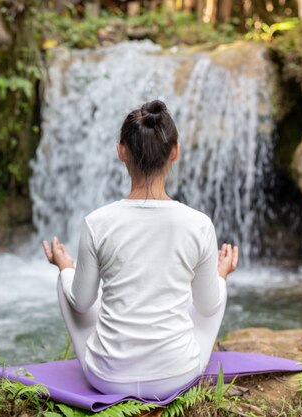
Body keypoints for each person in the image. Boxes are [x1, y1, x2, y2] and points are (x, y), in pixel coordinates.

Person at [42, 100, 239, 401]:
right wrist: (222, 274)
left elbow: (81, 304)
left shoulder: (96, 222)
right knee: (210, 291)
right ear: (175, 151)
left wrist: (65, 266)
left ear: (121, 151)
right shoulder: (199, 224)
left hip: (107, 378)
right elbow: (208, 306)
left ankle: (65, 270)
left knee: (67, 281)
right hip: (176, 376)